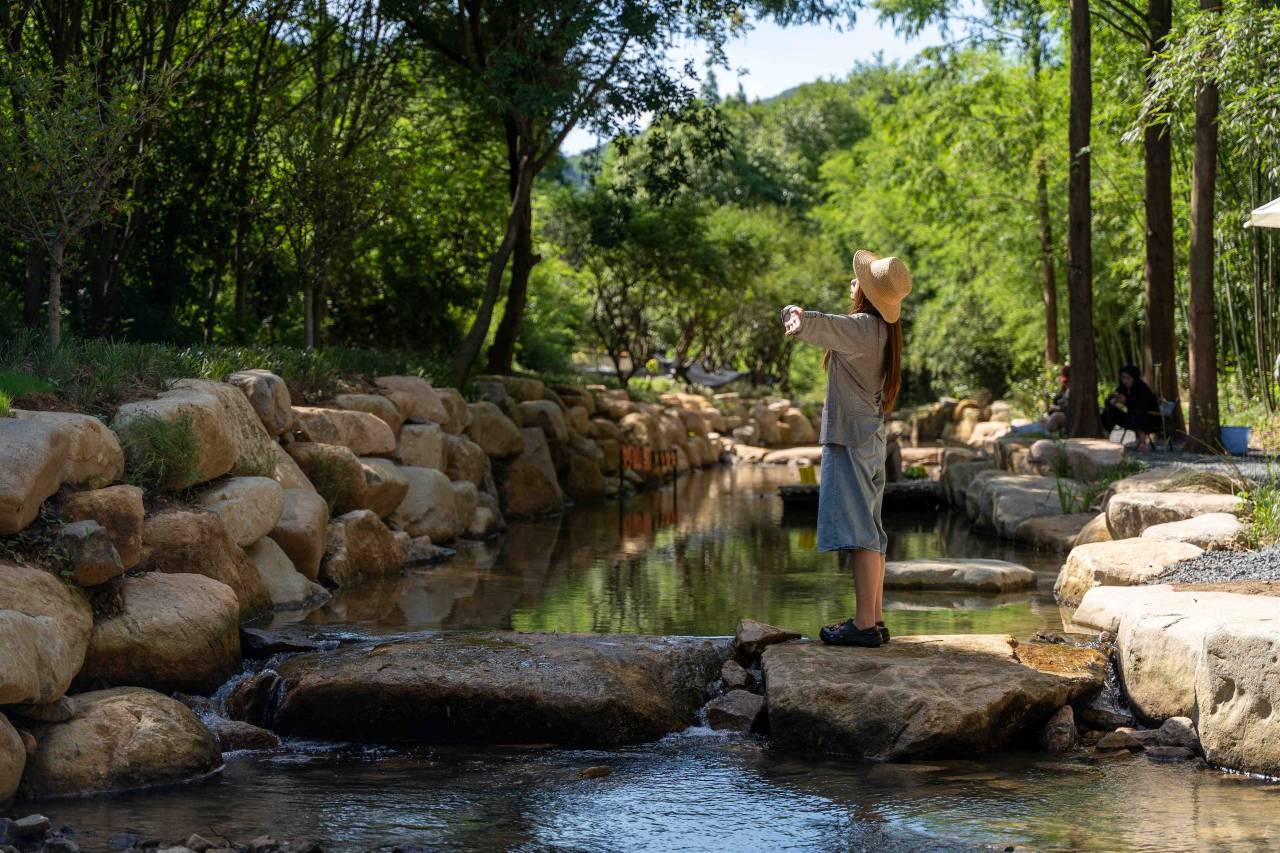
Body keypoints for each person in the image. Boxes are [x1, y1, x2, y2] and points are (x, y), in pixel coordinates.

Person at [781, 249, 911, 648]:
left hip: (851, 439)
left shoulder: (860, 328)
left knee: (859, 533)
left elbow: (815, 326)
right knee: (871, 530)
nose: (852, 282)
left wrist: (792, 314)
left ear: (869, 292)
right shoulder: (884, 331)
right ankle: (873, 617)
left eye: (858, 280)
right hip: (869, 436)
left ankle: (864, 625)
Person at [1101, 365, 1160, 451]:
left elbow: (1142, 406)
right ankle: (1105, 436)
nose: (1125, 381)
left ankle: (1143, 443)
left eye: (1128, 378)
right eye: (1123, 378)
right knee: (1108, 410)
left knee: (1139, 414)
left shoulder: (1142, 388)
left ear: (1134, 377)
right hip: (1131, 419)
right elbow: (1110, 398)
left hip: (1150, 419)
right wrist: (1112, 401)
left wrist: (1126, 401)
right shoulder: (1123, 388)